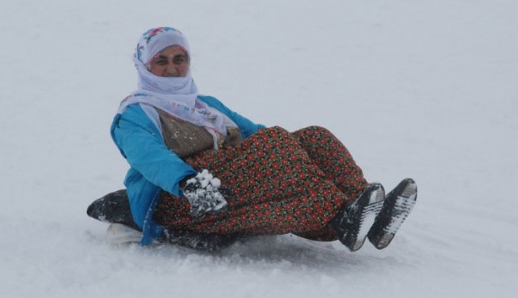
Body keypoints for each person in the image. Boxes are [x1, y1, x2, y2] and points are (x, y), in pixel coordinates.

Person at [87, 27, 418, 252]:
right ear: (145, 65)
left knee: (312, 137)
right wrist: (188, 183)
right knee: (276, 146)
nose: (173, 68)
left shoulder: (206, 105)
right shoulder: (135, 112)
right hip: (186, 197)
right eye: (161, 60)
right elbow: (147, 155)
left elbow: (255, 133)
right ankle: (343, 217)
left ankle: (366, 213)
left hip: (227, 181)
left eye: (179, 59)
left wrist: (302, 150)